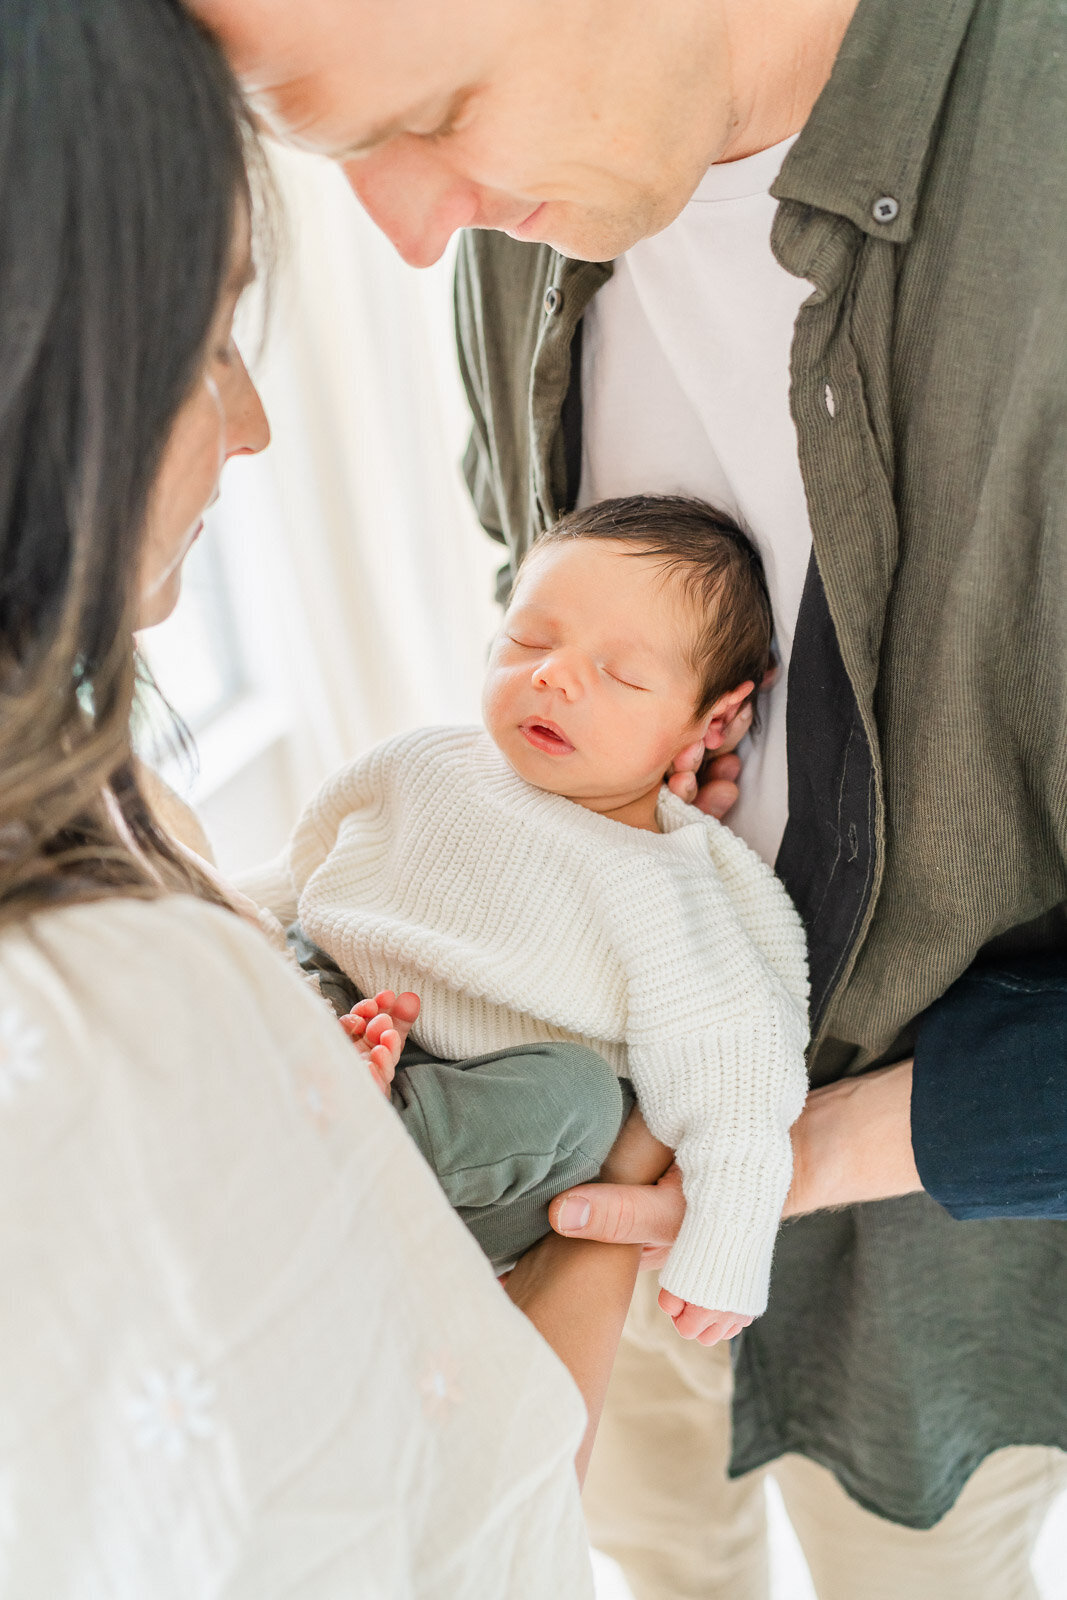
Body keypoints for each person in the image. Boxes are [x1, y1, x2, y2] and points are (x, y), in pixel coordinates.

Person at [189, 0, 1067, 1594]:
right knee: (653, 1552)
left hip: (941, 1245)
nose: (403, 230)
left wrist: (790, 1154)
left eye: (433, 111)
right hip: (580, 1171)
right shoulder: (532, 204)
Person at [0, 0, 675, 1587]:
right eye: (211, 337)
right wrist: (631, 1164)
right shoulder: (114, 993)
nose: (251, 424)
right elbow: (470, 1511)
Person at [248, 495, 809, 1340]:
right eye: (529, 641)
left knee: (579, 1097)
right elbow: (303, 875)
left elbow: (736, 1066)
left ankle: (343, 1140)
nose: (552, 675)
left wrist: (727, 1241)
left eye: (620, 673)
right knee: (290, 955)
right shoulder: (426, 760)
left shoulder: (663, 884)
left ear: (713, 720)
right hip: (346, 1008)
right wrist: (204, 920)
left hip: (486, 1133)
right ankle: (315, 1095)